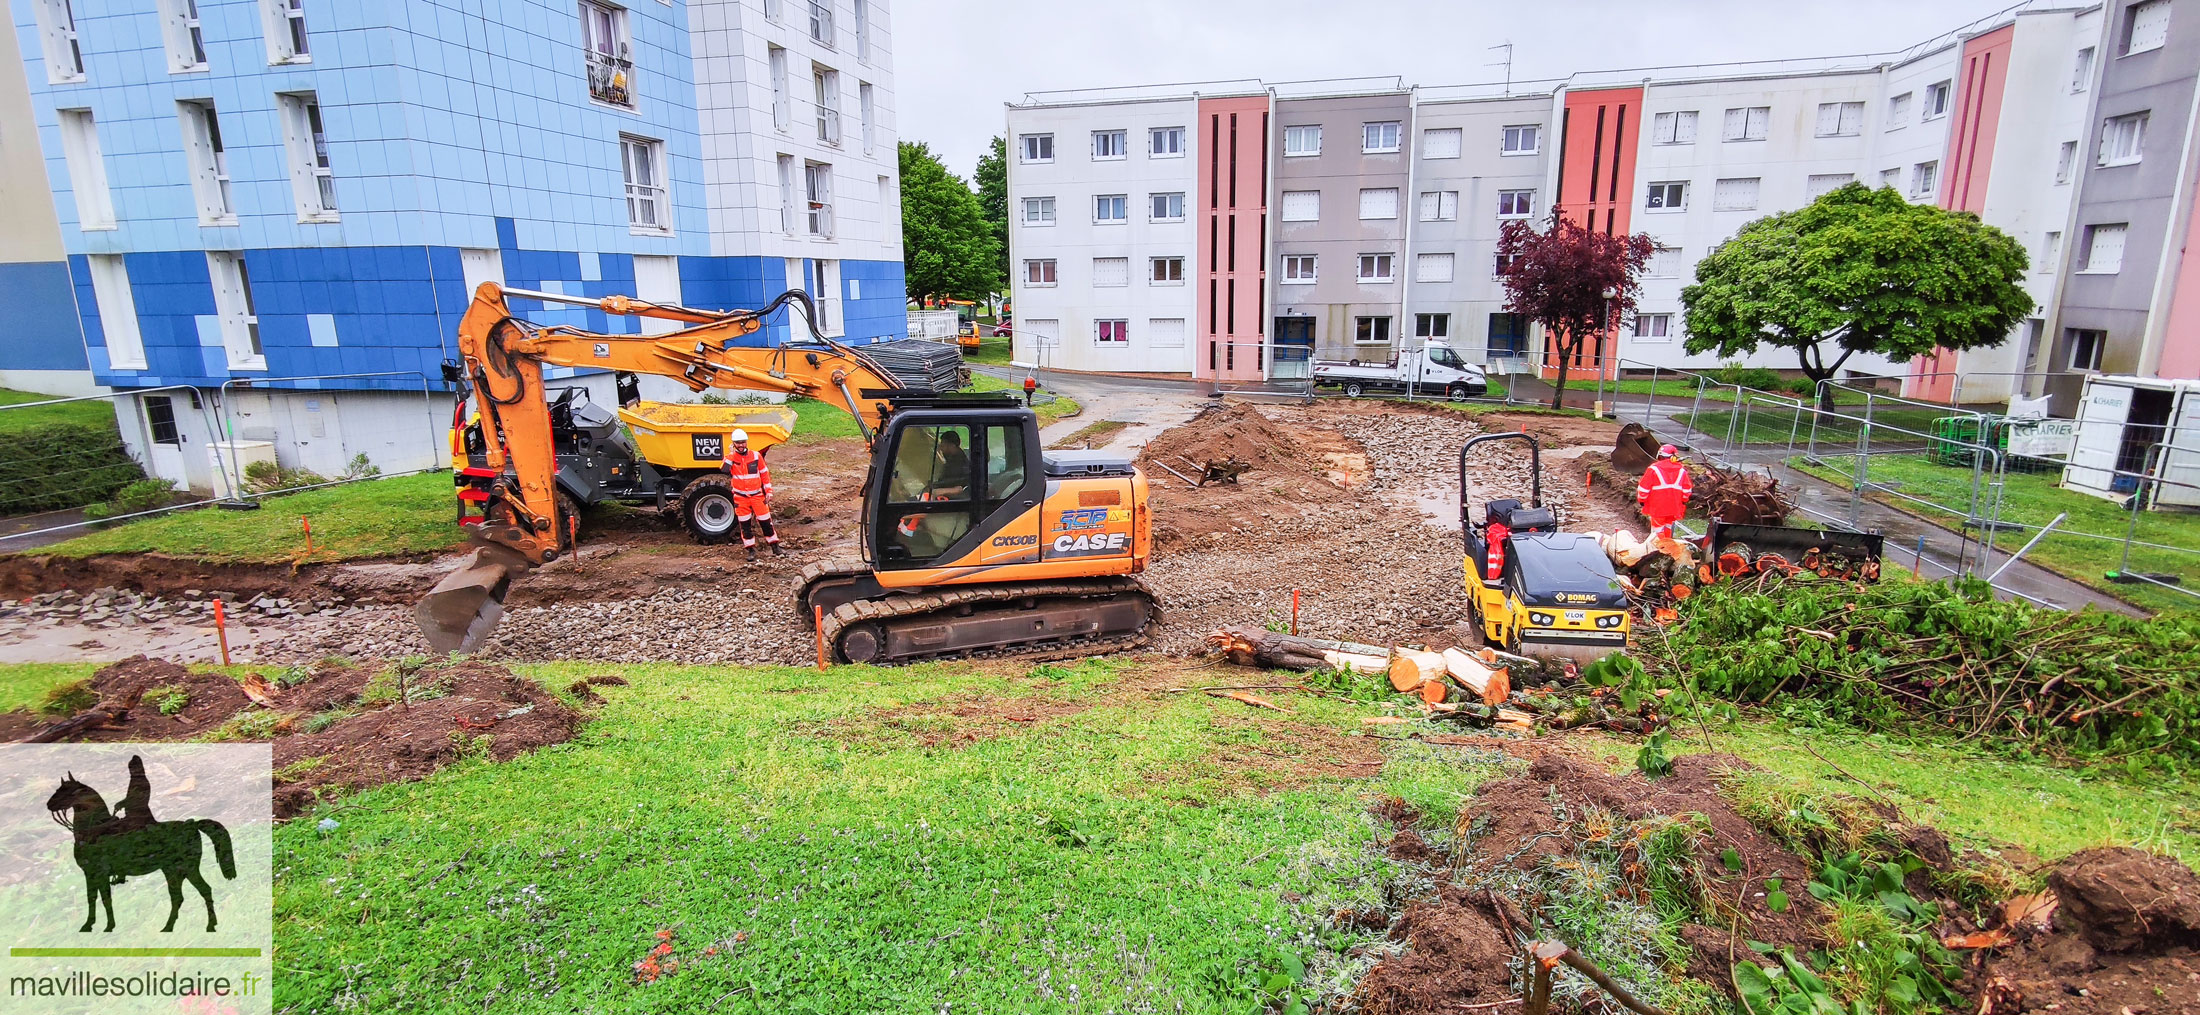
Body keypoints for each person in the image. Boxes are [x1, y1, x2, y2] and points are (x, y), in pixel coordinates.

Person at [720, 429, 782, 561]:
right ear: (733, 444)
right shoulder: (730, 458)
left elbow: (764, 474)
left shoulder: (755, 456)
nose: (741, 445)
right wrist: (731, 455)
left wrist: (769, 492)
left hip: (757, 496)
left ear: (746, 442)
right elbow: (724, 470)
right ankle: (750, 550)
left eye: (743, 442)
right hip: (740, 498)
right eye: (738, 443)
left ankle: (775, 547)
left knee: (766, 522)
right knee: (745, 525)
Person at [1636, 444, 1695, 540]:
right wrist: (1683, 501)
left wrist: (1642, 500)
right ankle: (1668, 547)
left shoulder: (1653, 469)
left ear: (1659, 455)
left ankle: (1658, 549)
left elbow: (1643, 488)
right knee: (1669, 528)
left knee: (1657, 530)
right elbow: (1687, 490)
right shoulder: (1681, 470)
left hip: (1658, 507)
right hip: (1675, 507)